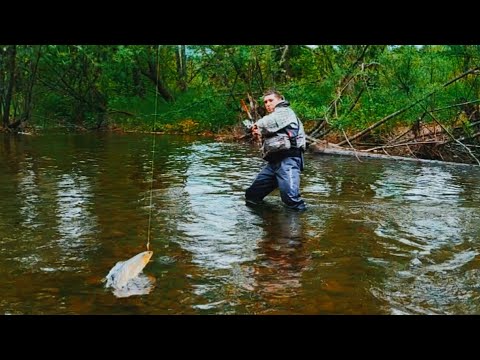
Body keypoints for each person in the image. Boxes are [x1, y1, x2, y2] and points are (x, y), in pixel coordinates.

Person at [245, 89, 307, 211]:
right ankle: (270, 221)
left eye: (271, 100)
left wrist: (256, 125)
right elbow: (270, 129)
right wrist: (257, 132)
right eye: (265, 102)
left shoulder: (285, 112)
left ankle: (301, 223)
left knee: (291, 200)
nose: (268, 104)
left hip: (289, 160)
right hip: (273, 163)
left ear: (280, 100)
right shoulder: (275, 117)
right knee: (252, 196)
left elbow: (269, 122)